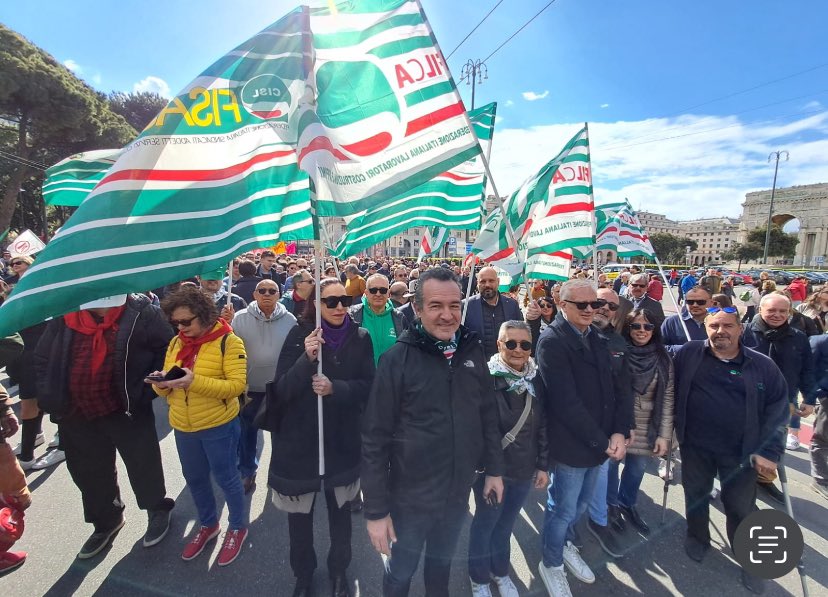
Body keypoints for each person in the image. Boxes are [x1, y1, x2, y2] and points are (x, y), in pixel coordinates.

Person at [362, 268, 504, 597]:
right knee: (401, 572)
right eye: (436, 306)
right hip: (409, 500)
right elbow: (374, 440)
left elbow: (487, 416)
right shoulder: (396, 360)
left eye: (454, 305)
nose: (447, 315)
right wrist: (376, 512)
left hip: (456, 495)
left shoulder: (471, 352)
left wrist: (495, 470)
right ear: (418, 309)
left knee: (440, 569)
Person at [34, 294, 176, 558]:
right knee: (89, 472)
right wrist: (49, 394)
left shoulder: (141, 310)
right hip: (76, 411)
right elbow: (43, 358)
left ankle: (156, 508)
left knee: (142, 462)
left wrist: (146, 390)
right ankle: (106, 521)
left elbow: (167, 350)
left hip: (125, 407)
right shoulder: (65, 312)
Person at [269, 278, 375, 597]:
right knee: (299, 522)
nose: (340, 306)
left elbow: (368, 386)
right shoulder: (299, 335)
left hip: (342, 444)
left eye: (343, 299)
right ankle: (303, 575)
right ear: (316, 305)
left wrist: (335, 389)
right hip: (301, 446)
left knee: (340, 518)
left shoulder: (361, 336)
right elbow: (282, 391)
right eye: (330, 301)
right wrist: (306, 359)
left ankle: (339, 570)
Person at [673, 306, 789, 594]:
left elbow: (778, 409)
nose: (720, 331)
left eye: (727, 326)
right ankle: (697, 537)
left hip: (742, 451)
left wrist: (771, 452)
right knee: (695, 494)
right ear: (706, 329)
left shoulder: (762, 365)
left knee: (740, 506)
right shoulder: (689, 354)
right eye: (713, 326)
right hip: (696, 445)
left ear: (741, 329)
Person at [536, 280, 632, 597]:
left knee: (578, 509)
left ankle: (563, 545)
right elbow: (565, 403)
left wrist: (620, 430)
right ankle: (550, 563)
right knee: (562, 510)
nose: (592, 310)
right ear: (563, 305)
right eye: (583, 305)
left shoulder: (598, 336)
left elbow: (618, 388)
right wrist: (603, 441)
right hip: (573, 445)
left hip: (601, 441)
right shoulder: (552, 340)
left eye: (595, 304)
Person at [152, 286, 248, 567]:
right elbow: (166, 390)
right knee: (194, 479)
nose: (181, 327)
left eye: (186, 321)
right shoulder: (176, 343)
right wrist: (161, 383)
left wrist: (193, 381)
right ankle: (208, 524)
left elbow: (236, 386)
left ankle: (237, 527)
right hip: (183, 425)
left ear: (204, 316)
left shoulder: (228, 342)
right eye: (176, 322)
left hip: (218, 424)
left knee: (228, 478)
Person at [468, 321, 548, 597]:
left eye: (525, 344)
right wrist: (492, 470)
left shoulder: (535, 379)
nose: (518, 350)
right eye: (511, 343)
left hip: (524, 470)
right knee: (485, 524)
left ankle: (500, 571)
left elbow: (542, 425)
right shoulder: (485, 379)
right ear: (499, 344)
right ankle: (478, 578)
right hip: (493, 471)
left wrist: (542, 464)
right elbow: (480, 431)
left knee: (505, 525)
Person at [741, 293, 816, 499]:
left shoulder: (798, 337)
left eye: (783, 311)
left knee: (774, 444)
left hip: (783, 402)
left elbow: (807, 370)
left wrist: (809, 399)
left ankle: (764, 479)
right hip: (745, 399)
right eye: (772, 310)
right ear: (760, 310)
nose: (777, 315)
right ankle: (741, 484)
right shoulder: (743, 332)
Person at [608, 309, 674, 535]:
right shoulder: (617, 351)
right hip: (617, 422)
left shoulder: (663, 358)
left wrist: (665, 436)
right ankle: (610, 506)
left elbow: (668, 398)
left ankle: (627, 502)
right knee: (610, 468)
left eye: (647, 327)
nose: (642, 331)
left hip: (648, 426)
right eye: (636, 326)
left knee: (636, 470)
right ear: (628, 328)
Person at [231, 279, 297, 495]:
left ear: (279, 294)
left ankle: (280, 471)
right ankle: (247, 470)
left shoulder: (290, 319)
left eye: (272, 291)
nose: (267, 294)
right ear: (255, 294)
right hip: (249, 388)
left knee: (280, 433)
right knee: (247, 433)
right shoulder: (239, 319)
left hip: (279, 388)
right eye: (262, 290)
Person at [585, 289, 633, 559]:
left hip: (606, 425)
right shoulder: (570, 335)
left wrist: (623, 427)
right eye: (599, 302)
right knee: (568, 487)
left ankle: (599, 520)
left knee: (602, 474)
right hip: (572, 427)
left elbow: (624, 389)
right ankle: (566, 534)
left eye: (611, 306)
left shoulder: (618, 343)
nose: (604, 308)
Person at [463, 266, 523, 359]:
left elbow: (522, 334)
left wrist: (533, 320)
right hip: (476, 366)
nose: (487, 285)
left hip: (506, 364)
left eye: (491, 281)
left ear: (498, 282)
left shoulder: (512, 305)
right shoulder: (465, 306)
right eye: (483, 281)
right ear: (477, 283)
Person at [349, 274, 407, 365]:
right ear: (366, 293)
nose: (378, 294)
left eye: (383, 290)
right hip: (362, 377)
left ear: (388, 293)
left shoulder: (399, 317)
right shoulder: (353, 315)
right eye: (373, 290)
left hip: (391, 377)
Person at [661, 287, 711, 355]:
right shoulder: (671, 322)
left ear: (711, 302)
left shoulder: (719, 322)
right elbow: (658, 347)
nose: (695, 305)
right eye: (690, 302)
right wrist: (684, 349)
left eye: (700, 302)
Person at [809, 332, 828, 500]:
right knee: (822, 439)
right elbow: (808, 370)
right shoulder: (820, 341)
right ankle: (820, 480)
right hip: (826, 397)